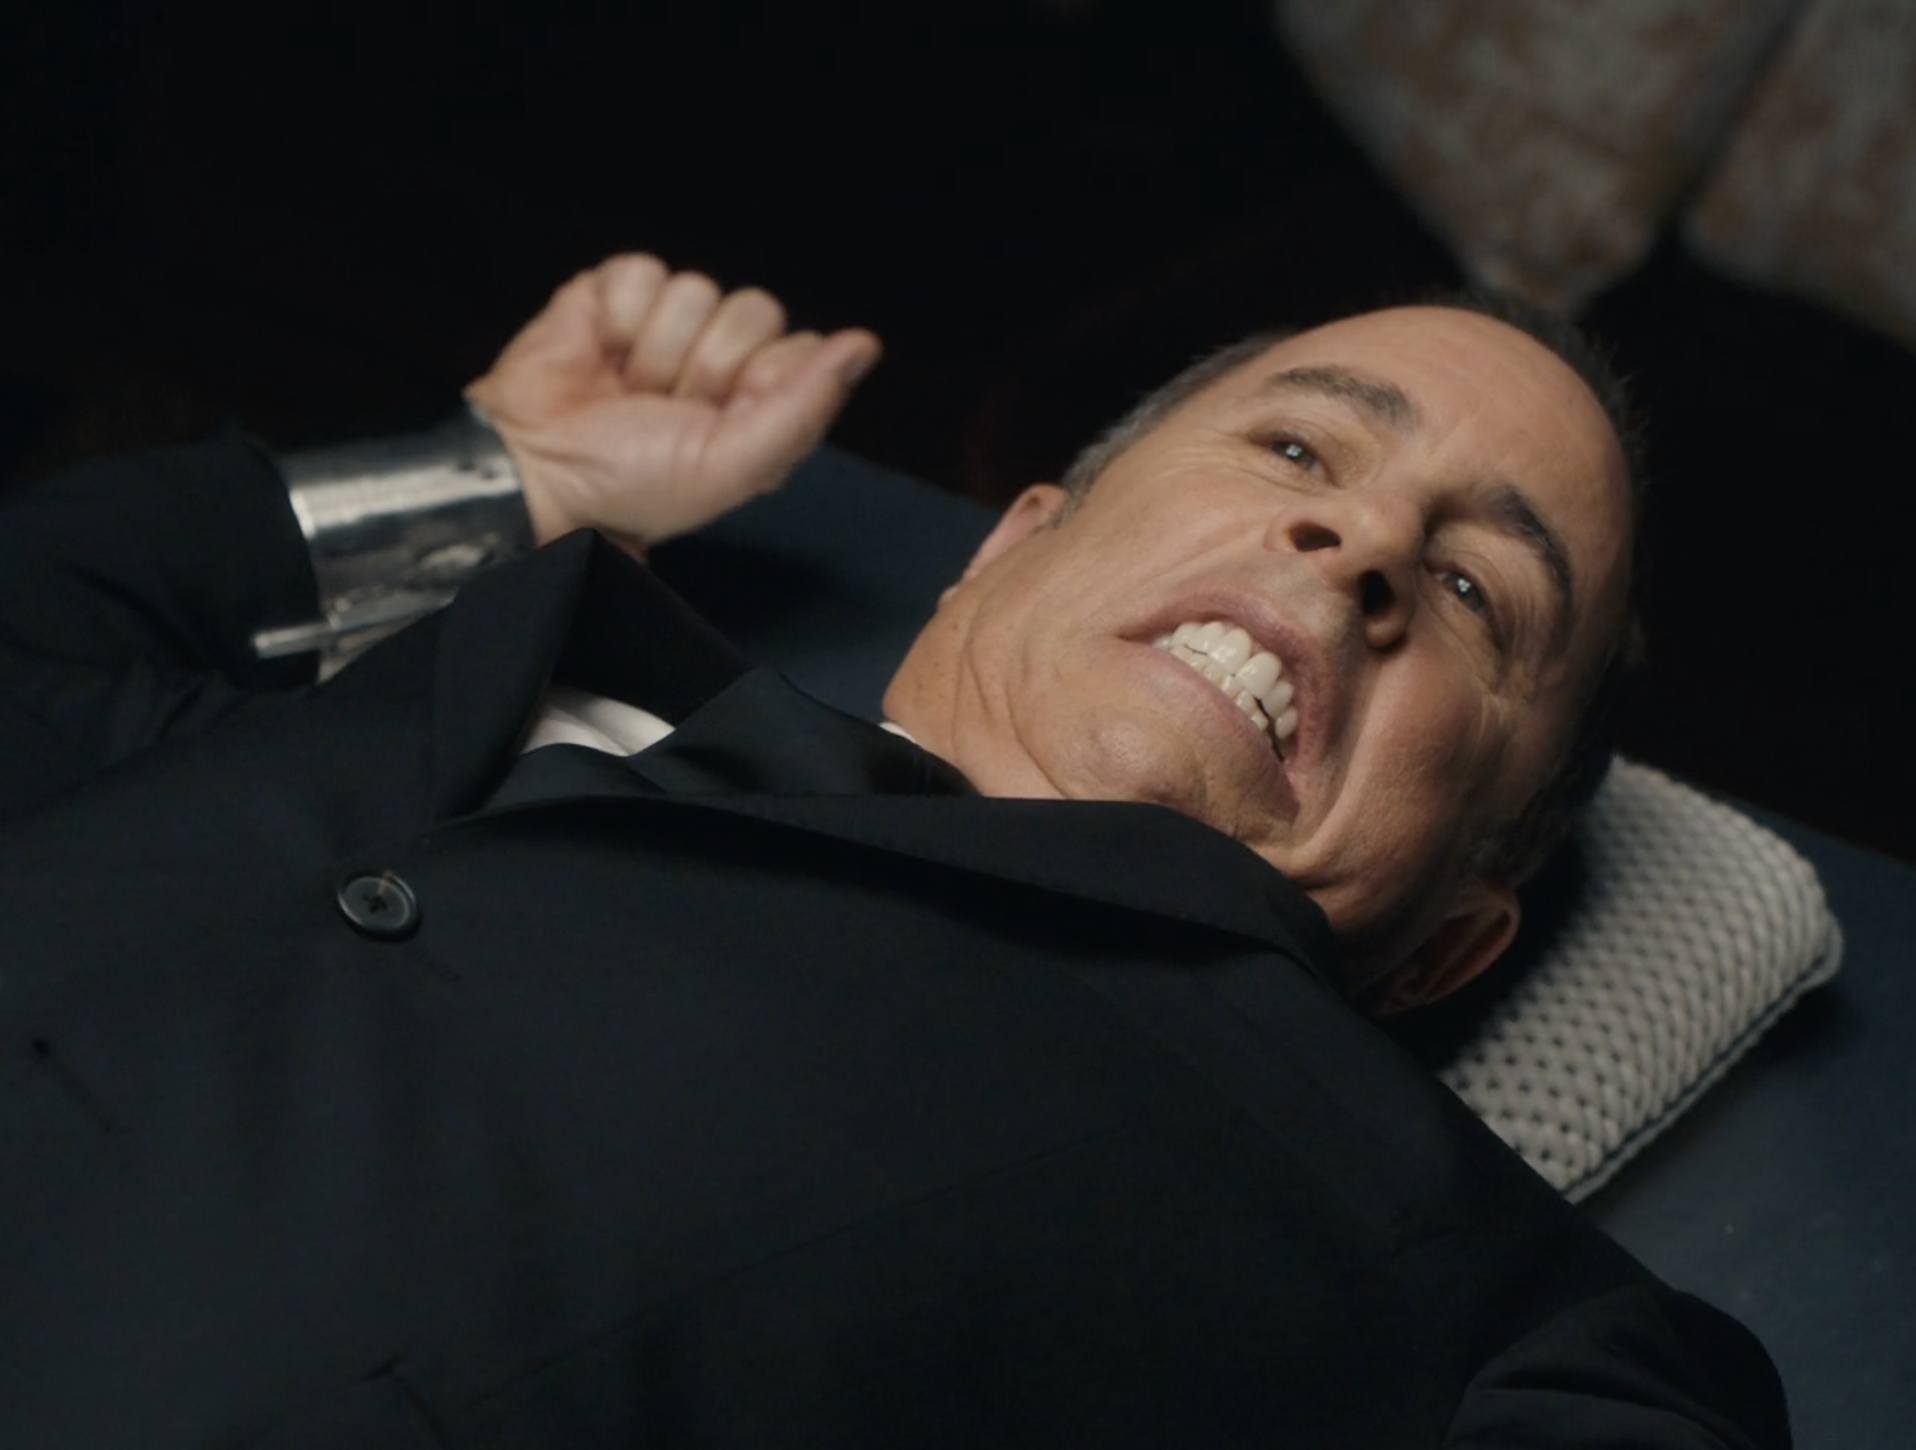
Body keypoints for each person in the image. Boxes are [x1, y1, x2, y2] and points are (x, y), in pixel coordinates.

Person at [0, 256, 1786, 1447]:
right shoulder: (485, 696)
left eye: (1474, 588)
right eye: (1300, 443)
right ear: (1013, 541)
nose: (1362, 538)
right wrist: (510, 471)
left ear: (1452, 944)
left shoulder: (1440, 1268)